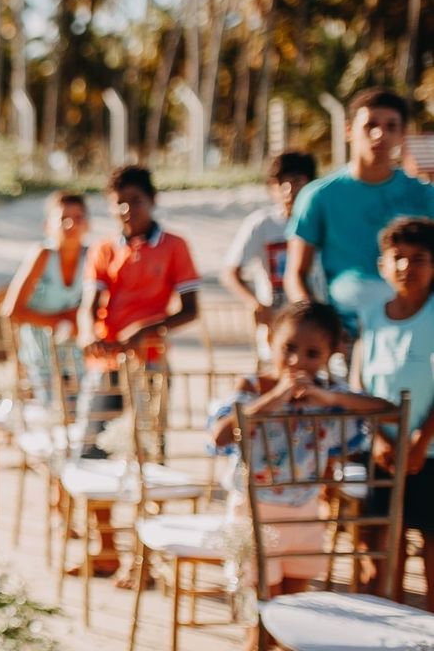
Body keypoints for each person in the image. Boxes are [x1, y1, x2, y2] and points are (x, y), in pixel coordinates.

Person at [207, 301, 389, 651]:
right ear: (270, 342)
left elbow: (385, 410)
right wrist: (275, 398)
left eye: (312, 353)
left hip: (304, 520)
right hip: (253, 521)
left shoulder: (330, 397)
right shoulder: (251, 388)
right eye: (289, 348)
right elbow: (223, 434)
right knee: (259, 628)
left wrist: (330, 400)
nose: (298, 362)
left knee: (283, 630)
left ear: (329, 355)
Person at [74, 165, 201, 577]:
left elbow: (190, 309)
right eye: (120, 203)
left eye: (136, 201)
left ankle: (145, 562)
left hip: (150, 365)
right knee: (91, 452)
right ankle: (106, 548)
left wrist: (147, 328)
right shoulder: (104, 249)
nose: (128, 209)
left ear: (152, 201)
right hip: (106, 363)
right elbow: (90, 305)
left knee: (149, 457)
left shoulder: (175, 246)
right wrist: (86, 332)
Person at [286, 88, 434, 329]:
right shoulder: (318, 196)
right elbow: (296, 274)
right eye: (370, 125)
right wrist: (319, 327)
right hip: (345, 330)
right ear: (348, 129)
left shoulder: (425, 194)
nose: (380, 134)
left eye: (391, 126)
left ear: (402, 135)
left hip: (416, 328)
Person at [358, 216, 434, 608]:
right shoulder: (372, 316)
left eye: (419, 257)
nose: (407, 266)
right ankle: (393, 648)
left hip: (429, 454)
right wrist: (377, 439)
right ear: (382, 265)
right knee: (386, 551)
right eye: (398, 257)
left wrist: (421, 441)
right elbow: (362, 385)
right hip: (384, 453)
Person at [3, 191, 88, 400]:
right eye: (63, 219)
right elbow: (12, 311)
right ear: (48, 225)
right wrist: (61, 322)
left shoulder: (93, 256)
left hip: (82, 360)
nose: (71, 225)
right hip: (41, 360)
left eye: (78, 218)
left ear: (87, 224)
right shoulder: (42, 255)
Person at [223, 151, 321, 331]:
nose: (289, 191)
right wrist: (255, 303)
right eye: (282, 184)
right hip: (276, 322)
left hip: (317, 321)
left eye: (296, 182)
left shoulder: (322, 222)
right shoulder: (262, 224)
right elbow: (231, 273)